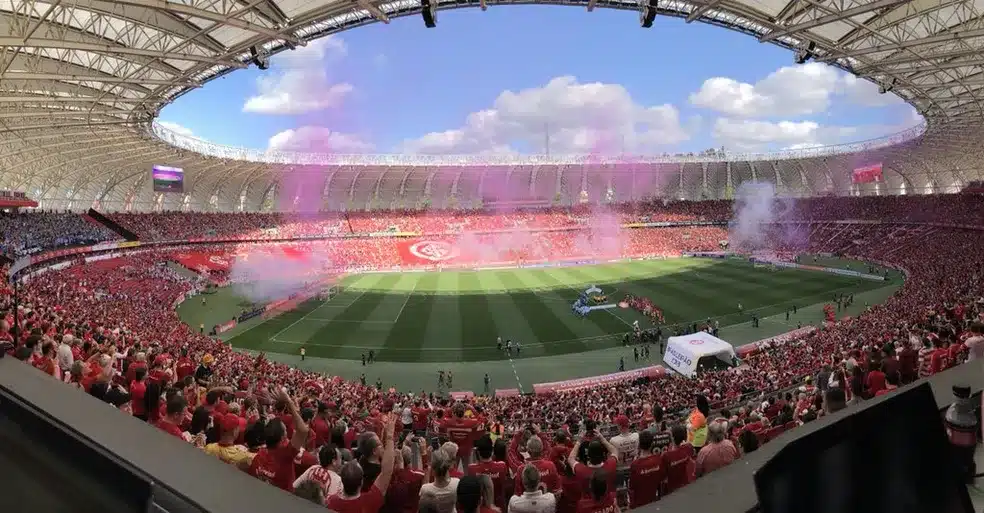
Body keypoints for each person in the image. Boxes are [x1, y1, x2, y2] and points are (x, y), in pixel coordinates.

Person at [327, 413, 397, 513]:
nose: (382, 446)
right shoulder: (367, 501)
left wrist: (384, 433)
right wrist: (390, 436)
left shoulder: (331, 502)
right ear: (361, 482)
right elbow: (387, 471)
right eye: (380, 445)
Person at [247, 387, 310, 491]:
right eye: (285, 430)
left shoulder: (259, 455)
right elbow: (303, 430)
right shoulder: (286, 454)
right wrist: (288, 401)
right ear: (282, 438)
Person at [628, 430, 665, 508]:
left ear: (639, 444)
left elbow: (631, 487)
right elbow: (661, 480)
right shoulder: (658, 460)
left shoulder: (635, 464)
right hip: (655, 501)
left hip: (639, 504)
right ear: (652, 444)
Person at [419, 446, 459, 513]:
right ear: (447, 467)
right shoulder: (456, 483)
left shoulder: (425, 489)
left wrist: (428, 460)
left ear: (433, 469)